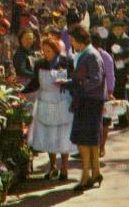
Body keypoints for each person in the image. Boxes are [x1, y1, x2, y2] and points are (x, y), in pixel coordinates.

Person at [23, 37, 77, 180]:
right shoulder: (39, 64)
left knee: (64, 135)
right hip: (45, 102)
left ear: (55, 50)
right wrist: (22, 91)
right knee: (49, 135)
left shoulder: (67, 62)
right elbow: (35, 83)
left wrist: (67, 84)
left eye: (49, 51)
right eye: (44, 51)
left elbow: (75, 80)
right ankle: (52, 166)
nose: (46, 54)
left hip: (63, 101)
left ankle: (64, 167)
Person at [61, 26, 106, 190]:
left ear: (80, 40)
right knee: (90, 139)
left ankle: (87, 176)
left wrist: (78, 86)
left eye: (73, 40)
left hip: (90, 101)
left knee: (83, 139)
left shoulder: (90, 55)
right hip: (90, 100)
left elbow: (96, 79)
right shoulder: (87, 54)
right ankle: (95, 172)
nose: (71, 43)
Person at [91, 30, 115, 157]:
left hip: (104, 93)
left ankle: (102, 146)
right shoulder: (84, 55)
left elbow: (111, 76)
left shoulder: (105, 56)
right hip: (90, 94)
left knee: (105, 122)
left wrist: (110, 91)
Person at [108, 20, 129, 100]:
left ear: (123, 29)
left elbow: (128, 52)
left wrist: (115, 56)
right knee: (119, 90)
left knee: (121, 90)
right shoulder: (117, 38)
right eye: (115, 29)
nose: (117, 31)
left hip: (123, 68)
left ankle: (123, 110)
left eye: (119, 29)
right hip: (118, 68)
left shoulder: (125, 39)